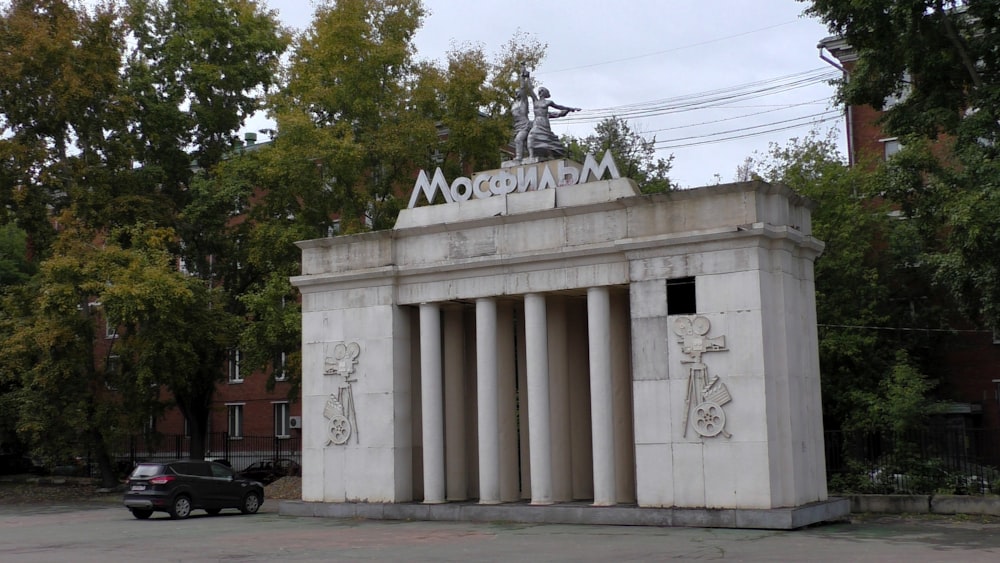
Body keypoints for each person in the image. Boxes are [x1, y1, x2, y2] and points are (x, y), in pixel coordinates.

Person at [527, 85, 580, 159]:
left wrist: (570, 109)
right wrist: (526, 78)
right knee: (531, 136)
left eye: (542, 90)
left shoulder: (549, 102)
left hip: (544, 122)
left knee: (546, 139)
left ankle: (550, 155)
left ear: (545, 93)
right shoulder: (535, 101)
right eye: (539, 91)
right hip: (536, 122)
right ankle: (531, 156)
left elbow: (559, 107)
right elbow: (530, 90)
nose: (540, 92)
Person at [512, 64, 534, 160]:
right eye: (515, 92)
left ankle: (519, 157)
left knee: (518, 139)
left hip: (524, 124)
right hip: (517, 125)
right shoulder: (514, 104)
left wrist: (522, 75)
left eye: (518, 92)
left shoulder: (523, 102)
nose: (516, 93)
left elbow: (523, 88)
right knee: (525, 143)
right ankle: (531, 156)